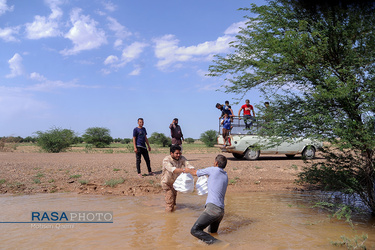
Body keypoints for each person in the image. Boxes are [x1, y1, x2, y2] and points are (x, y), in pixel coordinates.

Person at [185, 154, 228, 245]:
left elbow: (195, 173)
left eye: (214, 162)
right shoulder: (225, 175)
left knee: (195, 230)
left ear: (216, 163)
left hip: (213, 209)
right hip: (221, 211)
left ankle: (219, 244)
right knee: (212, 233)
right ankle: (216, 244)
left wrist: (187, 170)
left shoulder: (213, 169)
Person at [161, 145, 194, 212]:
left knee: (174, 202)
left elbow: (188, 164)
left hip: (175, 183)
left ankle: (173, 217)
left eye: (180, 153)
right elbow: (173, 169)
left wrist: (192, 169)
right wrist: (184, 170)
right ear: (171, 153)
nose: (178, 155)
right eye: (177, 153)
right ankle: (169, 218)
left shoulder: (182, 158)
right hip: (167, 183)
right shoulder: (166, 160)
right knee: (170, 203)